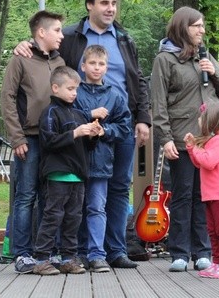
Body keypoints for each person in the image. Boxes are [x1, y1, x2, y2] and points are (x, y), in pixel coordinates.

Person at [14, 0, 151, 268]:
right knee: (80, 191)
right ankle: (76, 252)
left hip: (120, 122)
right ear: (90, 5)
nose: (111, 8)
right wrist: (24, 44)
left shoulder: (125, 38)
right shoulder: (71, 37)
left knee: (117, 189)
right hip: (80, 125)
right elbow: (45, 51)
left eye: (114, 3)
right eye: (104, 3)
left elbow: (138, 79)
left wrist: (143, 118)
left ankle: (114, 250)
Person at [151, 6, 219, 272]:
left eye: (203, 25)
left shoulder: (204, 56)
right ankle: (180, 253)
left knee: (204, 196)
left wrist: (215, 71)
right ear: (182, 27)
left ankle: (203, 251)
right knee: (183, 195)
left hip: (209, 140)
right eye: (196, 25)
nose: (202, 30)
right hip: (182, 138)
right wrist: (165, 138)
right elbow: (158, 102)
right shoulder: (165, 59)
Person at [0, 10, 66, 273]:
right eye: (57, 30)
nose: (61, 35)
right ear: (41, 32)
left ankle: (44, 252)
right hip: (28, 138)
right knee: (25, 196)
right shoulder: (20, 59)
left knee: (48, 197)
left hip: (55, 141)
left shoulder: (60, 60)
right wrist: (16, 137)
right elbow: (7, 98)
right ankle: (23, 254)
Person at [33, 66, 101, 275]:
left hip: (77, 175)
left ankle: (68, 258)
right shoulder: (50, 112)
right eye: (70, 88)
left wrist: (93, 135)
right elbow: (48, 142)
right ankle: (41, 259)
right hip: (57, 174)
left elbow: (87, 147)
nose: (74, 93)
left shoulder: (79, 114)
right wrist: (75, 132)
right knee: (53, 215)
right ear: (55, 88)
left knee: (73, 218)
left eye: (76, 89)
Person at [73, 45, 132, 272]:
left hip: (101, 163)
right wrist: (90, 116)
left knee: (97, 207)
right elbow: (66, 118)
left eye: (101, 64)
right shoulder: (75, 91)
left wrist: (105, 131)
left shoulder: (114, 95)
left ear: (107, 67)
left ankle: (97, 254)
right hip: (76, 162)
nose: (97, 68)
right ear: (83, 66)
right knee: (75, 208)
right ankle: (77, 253)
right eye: (93, 64)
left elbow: (124, 127)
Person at [184, 100, 219, 279]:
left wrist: (196, 149)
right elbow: (199, 163)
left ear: (212, 120)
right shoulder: (213, 141)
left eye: (202, 117)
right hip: (212, 194)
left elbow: (207, 162)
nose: (199, 120)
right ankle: (218, 262)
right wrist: (193, 149)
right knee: (213, 230)